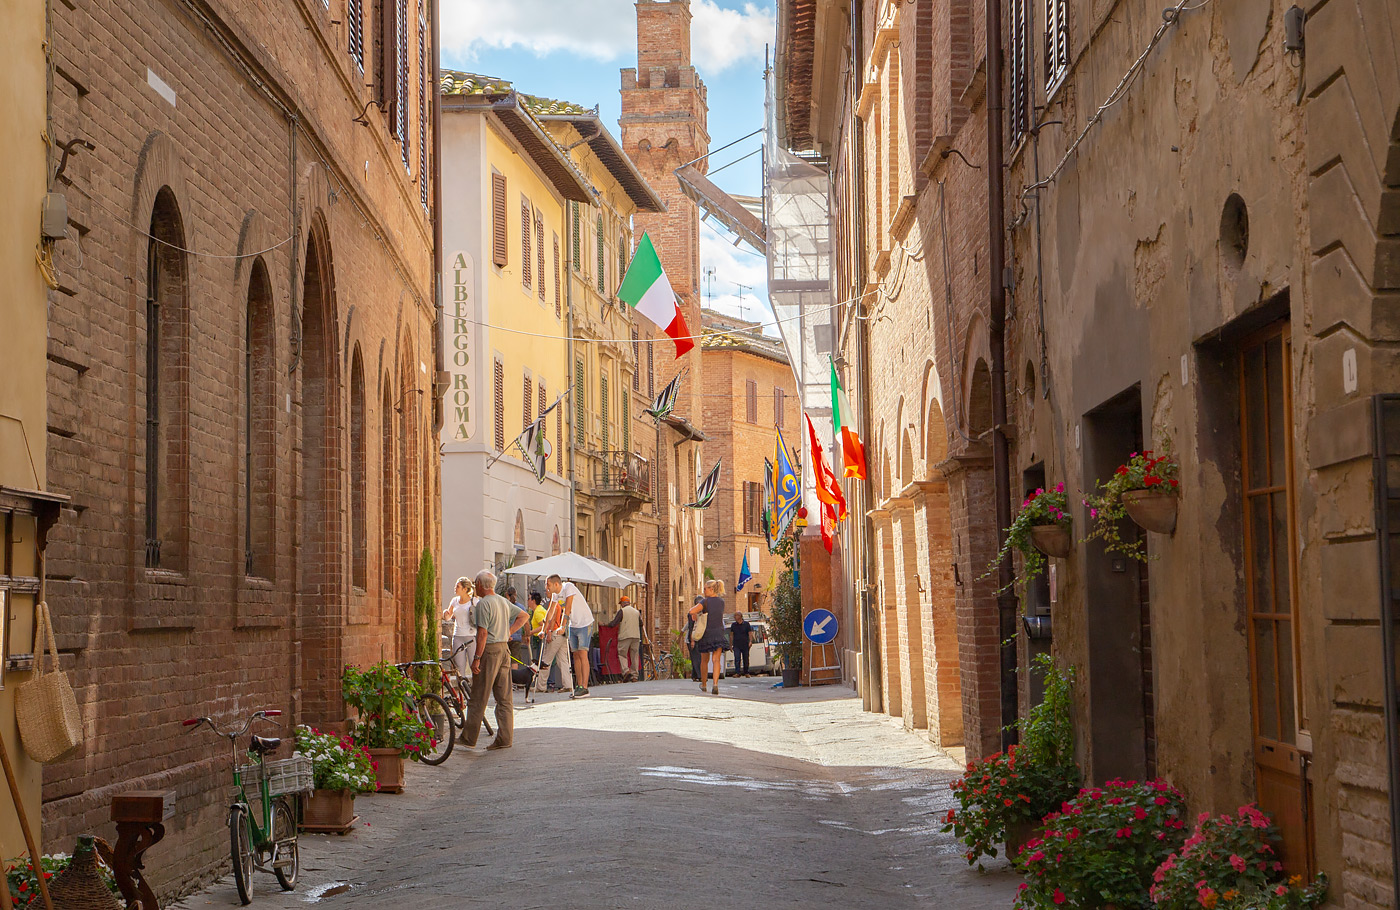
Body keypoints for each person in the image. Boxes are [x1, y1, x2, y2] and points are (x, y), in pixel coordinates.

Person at [463, 570, 530, 751]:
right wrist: (508, 631)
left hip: (490, 650)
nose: (474, 586)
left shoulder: (483, 604)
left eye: (475, 583)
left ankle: (469, 737)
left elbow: (482, 634)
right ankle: (505, 738)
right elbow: (524, 616)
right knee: (504, 697)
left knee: (479, 695)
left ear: (480, 585)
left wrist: (476, 658)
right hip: (504, 650)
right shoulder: (503, 601)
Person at [546, 574, 594, 697]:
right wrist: (544, 630)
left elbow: (567, 608)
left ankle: (584, 687)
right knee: (576, 655)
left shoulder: (569, 587)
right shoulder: (555, 595)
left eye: (548, 584)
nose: (547, 587)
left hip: (584, 623)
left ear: (556, 584)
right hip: (573, 625)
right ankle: (578, 686)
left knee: (583, 654)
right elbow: (550, 611)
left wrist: (562, 626)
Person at [688, 579, 728, 694]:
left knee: (704, 660)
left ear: (711, 589)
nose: (704, 591)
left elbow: (691, 611)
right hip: (719, 632)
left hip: (707, 633)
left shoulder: (705, 602)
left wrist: (695, 614)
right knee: (716, 660)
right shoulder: (721, 602)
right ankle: (715, 684)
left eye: (705, 588)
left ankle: (704, 684)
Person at [534, 586, 573, 694]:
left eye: (547, 590)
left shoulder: (554, 605)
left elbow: (552, 619)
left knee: (546, 659)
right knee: (563, 660)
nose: (546, 591)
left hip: (555, 632)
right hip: (562, 634)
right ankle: (568, 684)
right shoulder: (560, 604)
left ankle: (541, 686)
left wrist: (549, 632)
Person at [441, 577, 477, 681]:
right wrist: (445, 613)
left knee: (473, 664)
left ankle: (475, 692)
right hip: (457, 636)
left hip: (471, 636)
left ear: (465, 589)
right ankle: (462, 694)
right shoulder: (454, 601)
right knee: (459, 667)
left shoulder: (473, 601)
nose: (455, 588)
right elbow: (448, 617)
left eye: (457, 586)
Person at [605, 595, 644, 681]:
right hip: (636, 636)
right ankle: (635, 676)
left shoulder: (622, 611)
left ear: (622, 603)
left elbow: (614, 623)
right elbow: (641, 624)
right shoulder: (636, 612)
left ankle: (626, 671)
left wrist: (605, 624)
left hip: (625, 636)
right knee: (634, 655)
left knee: (622, 654)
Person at [505, 586, 527, 664]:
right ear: (516, 595)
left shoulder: (504, 606)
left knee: (505, 661)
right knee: (515, 661)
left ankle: (506, 676)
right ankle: (515, 676)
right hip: (517, 638)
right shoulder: (521, 607)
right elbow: (526, 623)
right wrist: (527, 635)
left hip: (505, 637)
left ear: (506, 595)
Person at [730, 611, 753, 677]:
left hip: (745, 644)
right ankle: (737, 672)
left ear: (740, 616)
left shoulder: (746, 624)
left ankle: (746, 672)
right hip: (736, 644)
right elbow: (731, 635)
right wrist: (730, 645)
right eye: (734, 616)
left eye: (736, 615)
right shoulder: (733, 625)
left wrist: (750, 641)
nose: (735, 617)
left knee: (746, 658)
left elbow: (750, 633)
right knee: (737, 658)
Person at [688, 594, 704, 682]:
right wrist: (692, 641)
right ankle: (699, 675)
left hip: (699, 637)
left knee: (697, 657)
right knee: (696, 657)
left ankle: (694, 675)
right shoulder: (692, 614)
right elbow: (691, 627)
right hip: (693, 638)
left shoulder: (701, 614)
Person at [528, 591, 547, 664]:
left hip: (541, 638)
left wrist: (531, 632)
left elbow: (543, 625)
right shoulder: (538, 610)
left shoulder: (538, 612)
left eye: (529, 599)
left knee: (540, 660)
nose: (527, 601)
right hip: (539, 638)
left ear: (533, 601)